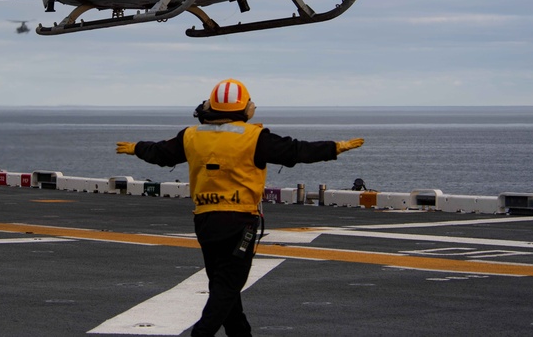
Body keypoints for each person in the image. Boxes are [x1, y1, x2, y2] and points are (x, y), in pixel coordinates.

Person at [116, 79, 364, 337]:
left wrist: (136, 148)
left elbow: (160, 153)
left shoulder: (191, 136)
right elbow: (296, 151)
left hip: (205, 220)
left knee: (222, 285)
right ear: (245, 108)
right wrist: (334, 148)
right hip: (240, 222)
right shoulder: (254, 138)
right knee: (227, 287)